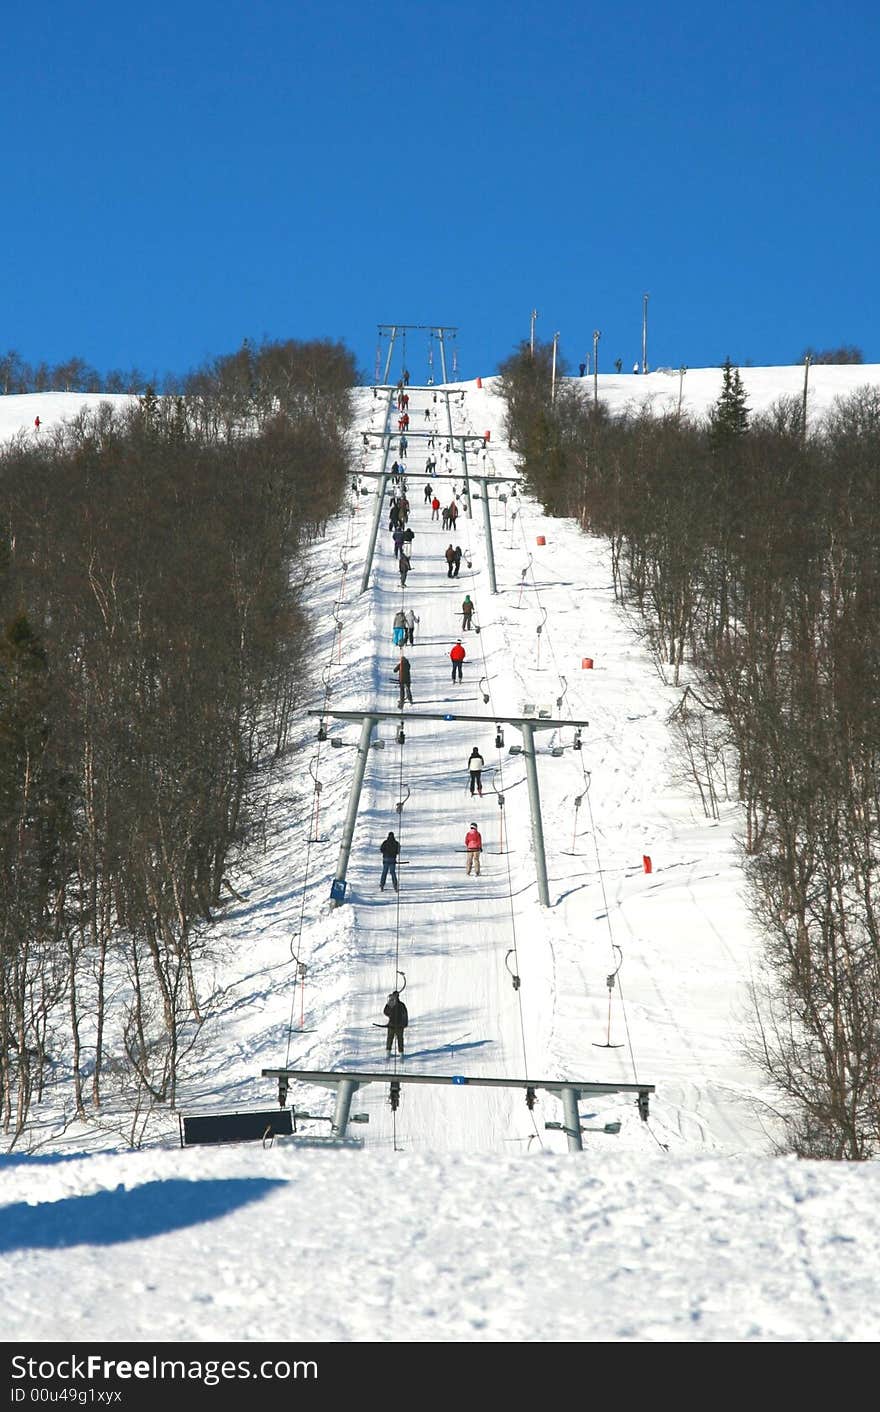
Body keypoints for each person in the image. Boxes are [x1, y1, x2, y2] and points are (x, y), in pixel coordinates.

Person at [384, 990, 408, 1055]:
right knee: (397, 1039)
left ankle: (390, 1053)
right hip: (396, 1025)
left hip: (396, 1025)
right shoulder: (397, 1004)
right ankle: (400, 1053)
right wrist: (405, 1024)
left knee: (392, 1039)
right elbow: (386, 1012)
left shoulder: (394, 1004)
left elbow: (385, 1012)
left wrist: (404, 1024)